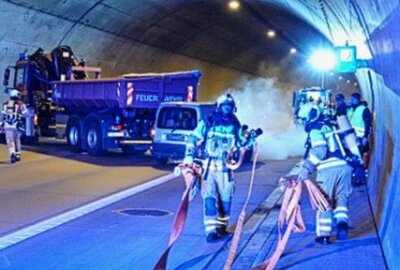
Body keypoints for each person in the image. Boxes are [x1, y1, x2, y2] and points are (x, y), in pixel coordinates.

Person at [183, 93, 252, 243]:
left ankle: (222, 228)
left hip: (226, 170)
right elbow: (193, 138)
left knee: (226, 201)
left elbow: (241, 144)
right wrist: (188, 155)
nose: (227, 110)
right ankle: (210, 232)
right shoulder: (208, 121)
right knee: (209, 199)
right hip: (208, 169)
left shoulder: (235, 124)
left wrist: (250, 140)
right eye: (225, 106)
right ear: (219, 107)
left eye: (230, 107)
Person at [293, 102, 353, 244]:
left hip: (328, 169)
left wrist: (306, 168)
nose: (304, 122)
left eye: (304, 119)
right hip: (346, 166)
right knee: (341, 198)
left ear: (311, 115)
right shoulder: (332, 123)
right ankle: (342, 225)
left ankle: (324, 235)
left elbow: (320, 151)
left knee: (323, 202)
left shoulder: (315, 129)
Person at [346, 92, 372, 185]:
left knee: (358, 158)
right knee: (354, 158)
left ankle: (360, 179)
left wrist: (365, 137)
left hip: (360, 138)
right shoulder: (353, 110)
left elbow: (367, 123)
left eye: (353, 99)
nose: (351, 101)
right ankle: (356, 176)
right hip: (353, 138)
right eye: (350, 99)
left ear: (358, 99)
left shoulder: (364, 110)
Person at [1, 89, 28, 163]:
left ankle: (12, 153)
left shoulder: (5, 104)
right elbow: (25, 114)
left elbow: (2, 115)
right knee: (17, 139)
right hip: (17, 126)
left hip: (7, 126)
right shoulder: (21, 105)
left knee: (10, 140)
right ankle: (18, 154)